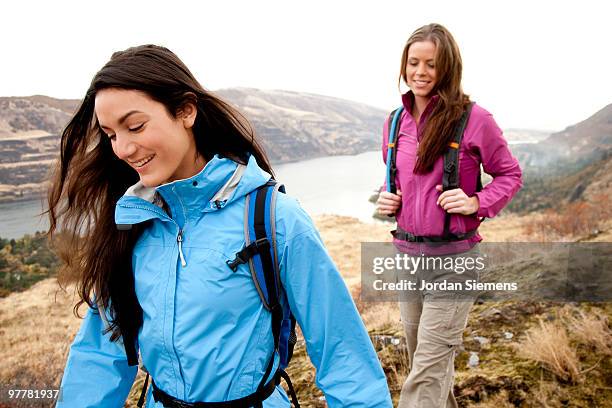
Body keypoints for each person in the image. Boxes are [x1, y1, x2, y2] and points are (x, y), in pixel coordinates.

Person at [48, 44, 392, 408]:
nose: (123, 149)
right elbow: (99, 358)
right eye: (111, 134)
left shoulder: (275, 218)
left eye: (135, 126)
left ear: (185, 111)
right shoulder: (130, 224)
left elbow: (343, 355)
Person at [376, 24, 522, 407]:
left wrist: (477, 202)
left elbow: (510, 174)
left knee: (426, 369)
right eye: (413, 62)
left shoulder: (476, 119)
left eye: (431, 64)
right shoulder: (394, 122)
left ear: (448, 69)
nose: (420, 72)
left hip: (454, 263)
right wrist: (386, 201)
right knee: (427, 363)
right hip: (407, 259)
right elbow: (400, 186)